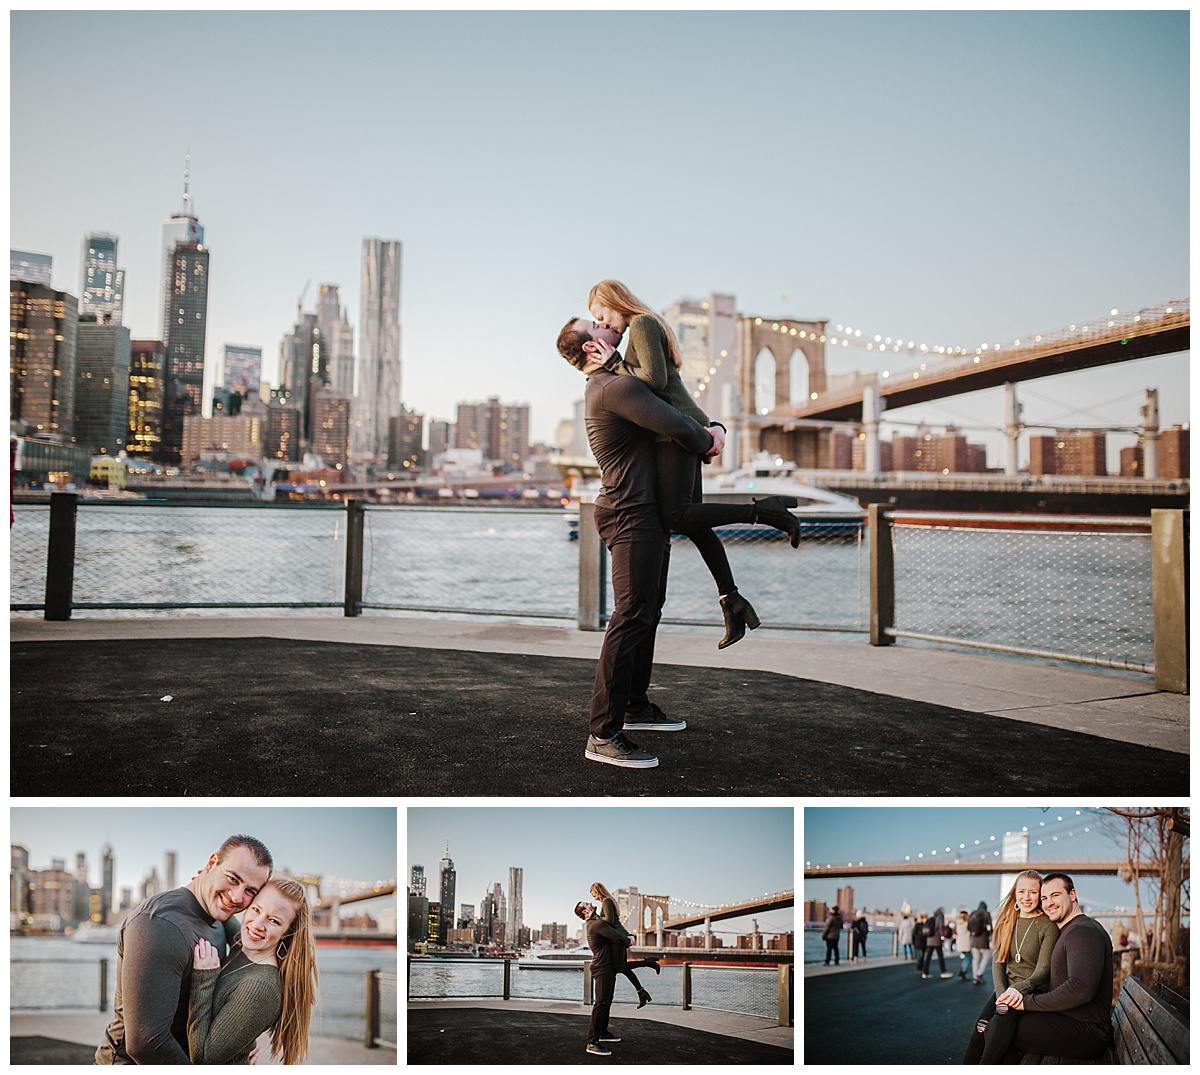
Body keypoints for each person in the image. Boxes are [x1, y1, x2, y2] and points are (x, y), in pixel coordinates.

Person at [584, 280, 802, 650]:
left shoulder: (641, 324)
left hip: (674, 436)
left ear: (615, 303)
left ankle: (765, 512)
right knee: (696, 523)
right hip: (681, 430)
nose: (604, 326)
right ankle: (731, 600)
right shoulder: (644, 327)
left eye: (602, 316)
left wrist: (614, 364)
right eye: (596, 321)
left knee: (678, 517)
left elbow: (653, 381)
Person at [557, 317, 716, 768]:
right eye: (598, 324)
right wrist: (713, 433)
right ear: (592, 348)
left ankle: (635, 706)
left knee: (647, 611)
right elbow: (681, 427)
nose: (609, 323)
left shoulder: (613, 383)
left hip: (643, 511)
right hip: (629, 514)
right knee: (630, 617)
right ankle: (602, 734)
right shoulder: (615, 389)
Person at [97, 834, 274, 1064]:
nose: (236, 896)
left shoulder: (219, 917)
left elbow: (249, 953)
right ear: (211, 864)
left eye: (250, 890)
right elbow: (145, 1043)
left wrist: (238, 1038)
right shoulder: (160, 924)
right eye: (232, 878)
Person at [188, 877, 318, 1064]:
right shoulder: (243, 944)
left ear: (287, 932)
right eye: (256, 909)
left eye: (273, 921)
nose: (257, 924)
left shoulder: (260, 988)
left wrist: (203, 979)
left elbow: (203, 1059)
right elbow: (225, 913)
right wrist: (207, 881)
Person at [994, 873, 1115, 1062]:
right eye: (1044, 898)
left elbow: (1080, 989)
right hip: (1066, 1020)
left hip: (1086, 1031)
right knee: (999, 1026)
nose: (1048, 903)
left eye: (1055, 895)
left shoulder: (1083, 932)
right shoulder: (1068, 930)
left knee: (999, 1032)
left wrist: (1027, 1002)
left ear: (1072, 895)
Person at [963, 869, 1059, 1064]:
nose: (1027, 897)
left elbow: (1042, 971)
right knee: (979, 1029)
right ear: (1015, 892)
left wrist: (1015, 992)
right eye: (1022, 891)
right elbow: (998, 963)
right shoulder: (1007, 922)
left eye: (1033, 892)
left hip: (1031, 991)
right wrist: (1001, 996)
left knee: (997, 1029)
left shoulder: (1047, 925)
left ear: (1039, 895)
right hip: (1006, 989)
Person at [575, 899, 634, 1057]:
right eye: (586, 904)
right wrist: (630, 939)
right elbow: (617, 936)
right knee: (600, 1003)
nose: (589, 902)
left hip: (606, 967)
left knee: (607, 1001)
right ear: (585, 912)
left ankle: (603, 1032)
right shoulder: (596, 925)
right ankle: (592, 1042)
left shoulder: (597, 923)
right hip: (602, 968)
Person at [589, 882, 659, 1008]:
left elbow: (609, 921)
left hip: (618, 938)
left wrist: (595, 917)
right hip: (620, 936)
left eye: (593, 893)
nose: (593, 896)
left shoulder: (606, 901)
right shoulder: (609, 901)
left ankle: (647, 963)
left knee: (620, 967)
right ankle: (641, 992)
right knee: (623, 967)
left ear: (598, 890)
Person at [921, 906, 952, 978]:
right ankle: (943, 971)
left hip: (930, 939)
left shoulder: (933, 917)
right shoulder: (940, 917)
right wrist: (942, 936)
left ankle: (925, 972)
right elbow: (940, 926)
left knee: (928, 956)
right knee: (940, 956)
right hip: (936, 939)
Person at [969, 900, 993, 984]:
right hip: (983, 939)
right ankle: (980, 973)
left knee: (975, 958)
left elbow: (968, 927)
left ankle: (975, 976)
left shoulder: (973, 913)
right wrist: (991, 936)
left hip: (973, 939)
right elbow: (990, 927)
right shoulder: (986, 913)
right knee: (986, 955)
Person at [954, 909, 973, 981]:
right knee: (969, 958)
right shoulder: (966, 923)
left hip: (959, 942)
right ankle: (962, 972)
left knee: (966, 957)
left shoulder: (957, 923)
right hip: (966, 942)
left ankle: (962, 971)